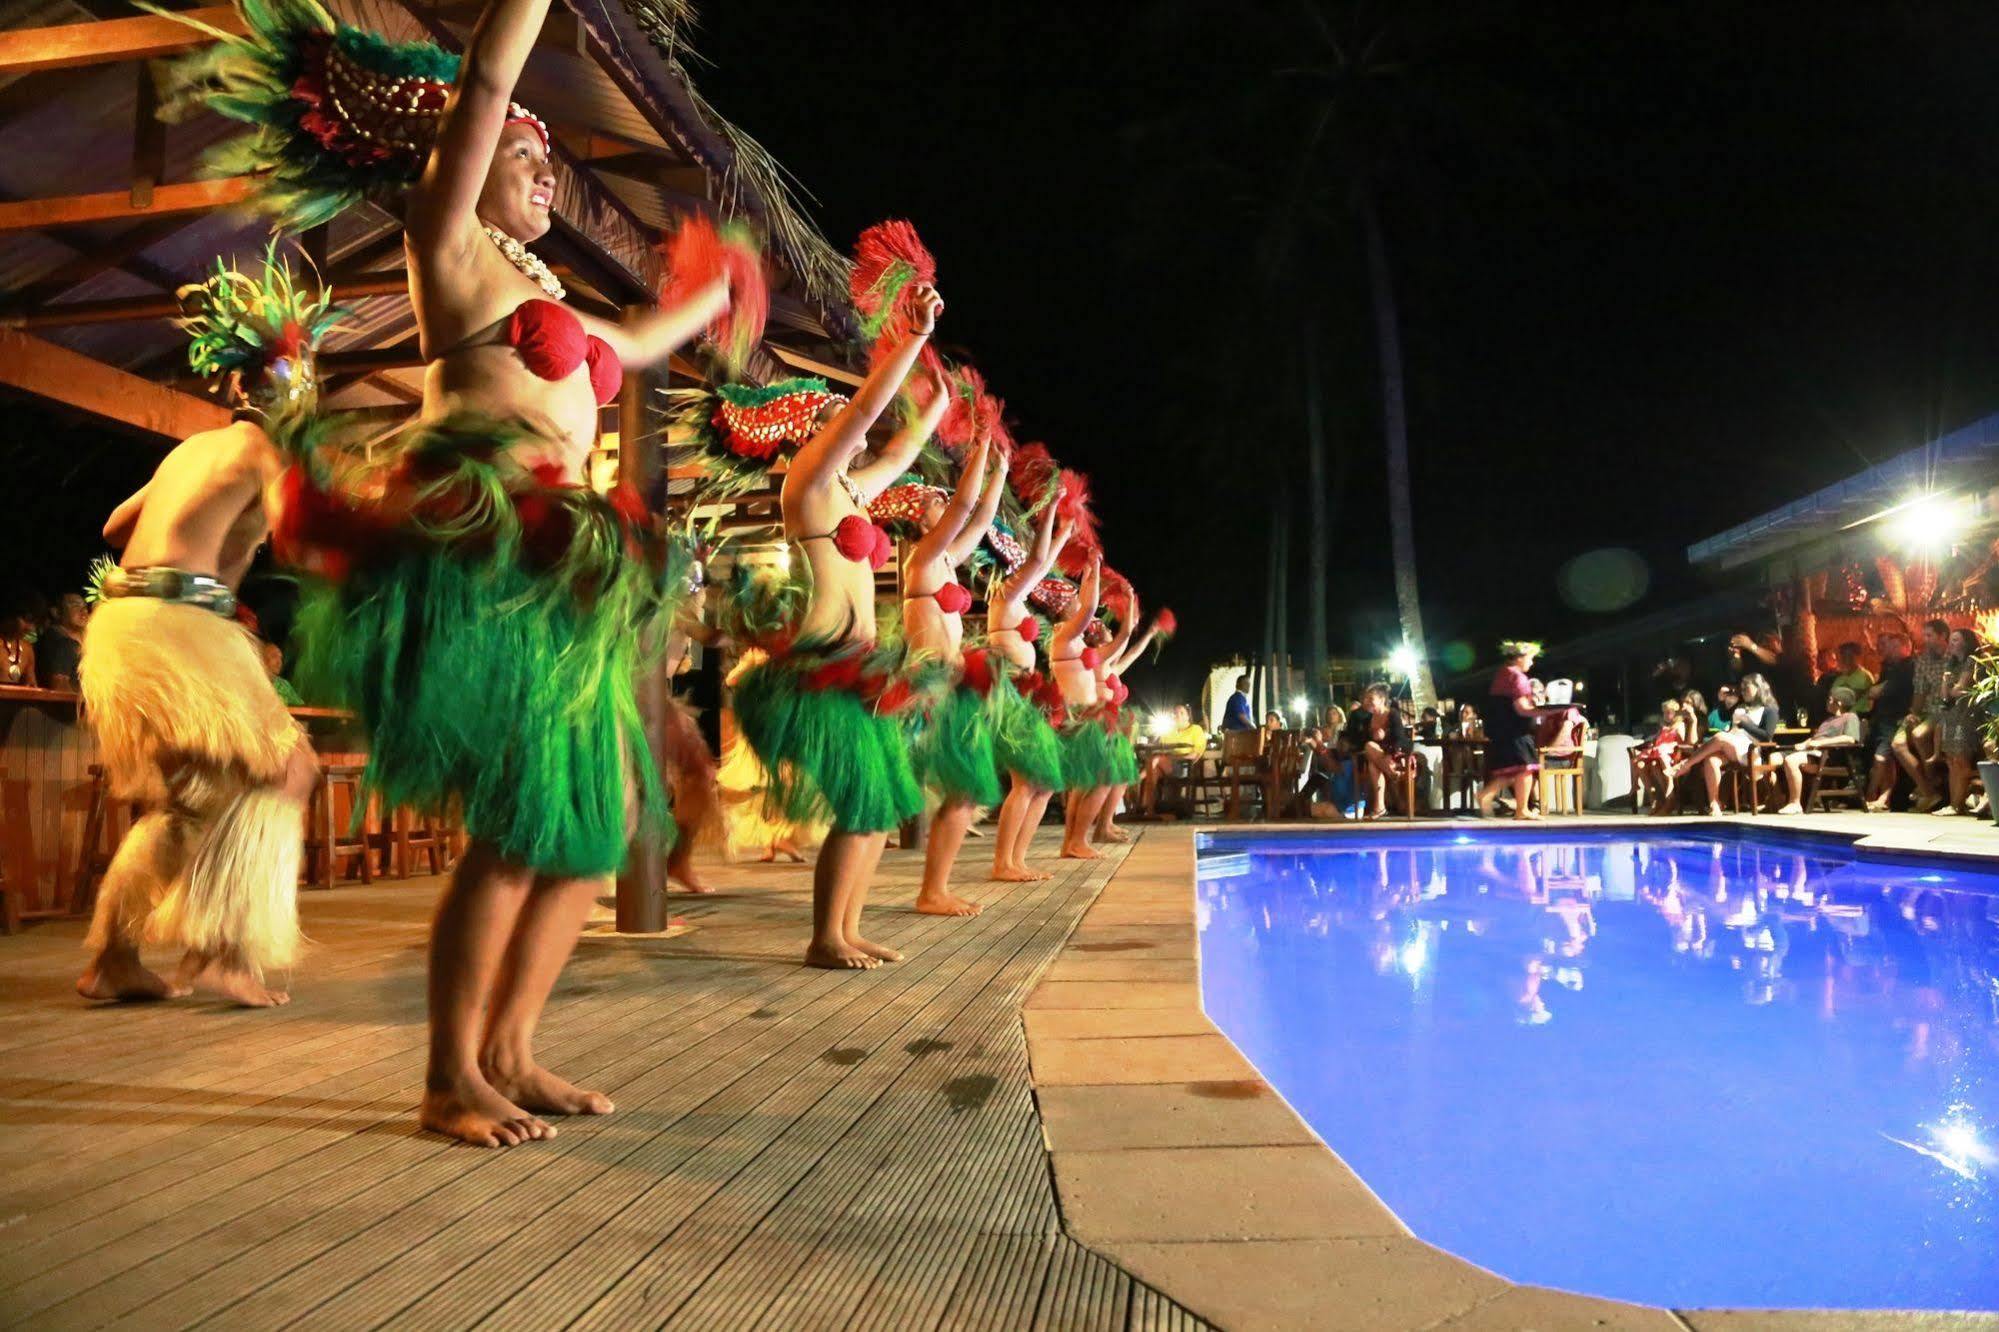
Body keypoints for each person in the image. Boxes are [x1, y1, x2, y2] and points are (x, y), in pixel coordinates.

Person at [191, 0, 744, 1146]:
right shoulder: (446, 253)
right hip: (487, 560)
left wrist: (705, 297)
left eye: (549, 164)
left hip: (566, 581)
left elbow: (634, 346)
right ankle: (450, 1075)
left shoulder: (545, 294)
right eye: (527, 160)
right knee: (513, 824)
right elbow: (489, 82)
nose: (546, 178)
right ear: (467, 163)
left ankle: (513, 1051)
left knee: (596, 821)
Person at [74, 249, 327, 1011]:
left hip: (126, 619)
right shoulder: (262, 450)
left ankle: (114, 958)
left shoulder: (193, 447)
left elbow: (118, 526)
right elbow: (303, 541)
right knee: (290, 769)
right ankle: (222, 952)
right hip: (185, 626)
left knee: (189, 801)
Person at [731, 294, 949, 971]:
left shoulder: (852, 492)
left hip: (861, 671)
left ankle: (848, 929)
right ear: (814, 434)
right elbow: (864, 413)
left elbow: (901, 446)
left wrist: (939, 404)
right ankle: (825, 935)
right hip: (820, 670)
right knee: (860, 805)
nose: (850, 433)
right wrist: (907, 344)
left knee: (878, 812)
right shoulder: (809, 481)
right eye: (833, 423)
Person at [904, 438, 1009, 917]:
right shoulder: (922, 560)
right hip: (930, 692)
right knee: (958, 791)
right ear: (917, 519)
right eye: (933, 502)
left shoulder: (945, 562)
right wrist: (981, 446)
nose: (943, 502)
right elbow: (966, 503)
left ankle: (936, 888)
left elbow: (981, 517)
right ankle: (931, 891)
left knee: (964, 792)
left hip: (953, 690)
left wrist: (1000, 469)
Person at [986, 503, 1074, 879]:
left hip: (1028, 700)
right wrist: (1053, 513)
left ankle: (1017, 859)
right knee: (1025, 782)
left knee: (1043, 785)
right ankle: (1002, 862)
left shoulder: (1017, 600)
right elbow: (1039, 559)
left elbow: (1042, 564)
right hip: (1012, 697)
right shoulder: (1005, 595)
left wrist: (1064, 537)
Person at [1051, 559, 1119, 858]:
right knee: (1099, 779)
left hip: (1085, 717)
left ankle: (1073, 842)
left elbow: (1089, 609)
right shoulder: (1065, 635)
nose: (1077, 606)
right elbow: (1088, 609)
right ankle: (1077, 840)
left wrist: (1090, 574)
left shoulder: (1074, 641)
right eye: (1071, 602)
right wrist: (1090, 565)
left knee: (1091, 781)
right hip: (1078, 718)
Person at [1670, 674, 1781, 814]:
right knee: (1711, 760)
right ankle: (1714, 804)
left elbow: (1767, 736)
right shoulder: (1741, 707)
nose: (1744, 690)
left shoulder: (1769, 710)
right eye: (1742, 687)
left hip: (1750, 751)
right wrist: (1722, 700)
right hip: (1731, 745)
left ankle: (1686, 764)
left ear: (1758, 688)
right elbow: (1722, 717)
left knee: (1721, 737)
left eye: (1747, 687)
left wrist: (1745, 725)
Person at [1477, 642, 1551, 819]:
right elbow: (1522, 709)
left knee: (1512, 770)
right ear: (1519, 658)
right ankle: (1521, 809)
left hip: (1500, 729)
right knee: (1525, 768)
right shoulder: (1517, 677)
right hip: (1515, 730)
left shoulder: (1502, 673)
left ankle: (1486, 794)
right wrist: (1549, 710)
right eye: (1530, 658)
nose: (1531, 663)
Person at [1775, 685, 1863, 813]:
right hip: (1813, 752)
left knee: (1791, 760)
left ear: (1839, 703)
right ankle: (1775, 801)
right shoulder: (1827, 721)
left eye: (1830, 699)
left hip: (1828, 757)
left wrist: (1822, 743)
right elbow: (1815, 738)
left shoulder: (1850, 717)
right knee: (1774, 758)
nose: (1827, 702)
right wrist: (1804, 744)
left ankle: (1795, 803)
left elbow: (1850, 739)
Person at [1899, 618, 1952, 812]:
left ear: (1943, 636)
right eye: (1925, 636)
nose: (1926, 640)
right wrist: (1913, 712)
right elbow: (1920, 690)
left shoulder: (1954, 658)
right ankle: (1929, 785)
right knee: (1898, 742)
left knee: (1919, 734)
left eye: (1929, 636)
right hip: (1929, 710)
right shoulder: (1923, 660)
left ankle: (1931, 780)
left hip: (1947, 709)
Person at [1932, 627, 1985, 816]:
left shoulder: (1972, 661)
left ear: (1966, 642)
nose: (1951, 644)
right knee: (1951, 760)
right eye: (1951, 640)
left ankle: (1957, 804)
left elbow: (1959, 689)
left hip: (1968, 715)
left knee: (1961, 760)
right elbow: (1945, 695)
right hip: (1952, 714)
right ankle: (1953, 804)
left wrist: (1951, 687)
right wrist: (1947, 685)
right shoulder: (1951, 664)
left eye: (1956, 640)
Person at [1865, 631, 1919, 810]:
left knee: (1880, 757)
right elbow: (1873, 691)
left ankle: (1868, 795)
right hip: (1883, 717)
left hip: (1897, 717)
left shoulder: (1908, 666)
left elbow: (1883, 691)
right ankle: (1884, 798)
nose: (1892, 650)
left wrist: (1878, 690)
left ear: (1907, 647)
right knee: (1887, 762)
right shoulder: (1889, 667)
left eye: (1896, 646)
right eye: (1890, 646)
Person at [1348, 682, 1415, 818]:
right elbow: (1361, 742)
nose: (1366, 702)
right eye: (1366, 699)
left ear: (1382, 700)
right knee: (1369, 748)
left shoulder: (1393, 714)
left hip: (1395, 756)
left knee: (1373, 762)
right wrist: (1373, 736)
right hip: (1382, 760)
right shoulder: (1367, 718)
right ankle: (1390, 774)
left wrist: (1386, 738)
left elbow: (1400, 739)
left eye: (1370, 699)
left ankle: (1380, 808)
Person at [1140, 704, 1208, 818]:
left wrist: (1176, 758)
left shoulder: (1196, 730)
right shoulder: (1168, 731)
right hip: (1166, 764)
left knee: (1156, 760)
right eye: (1175, 713)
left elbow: (1196, 754)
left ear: (1188, 717)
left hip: (1184, 766)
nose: (1177, 715)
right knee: (1154, 772)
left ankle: (1137, 779)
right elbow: (1160, 748)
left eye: (1181, 713)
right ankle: (1149, 810)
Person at [1633, 698, 1691, 815]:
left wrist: (1672, 734)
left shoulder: (1679, 725)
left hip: (1672, 756)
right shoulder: (1663, 726)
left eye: (1669, 712)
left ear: (1675, 713)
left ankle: (1669, 797)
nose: (1666, 715)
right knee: (1639, 763)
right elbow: (1656, 740)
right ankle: (1654, 798)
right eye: (1664, 712)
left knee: (1656, 763)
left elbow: (1682, 743)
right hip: (1658, 755)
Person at [36, 592, 86, 691]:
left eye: (84, 607)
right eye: (75, 606)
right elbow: (59, 685)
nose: (83, 611)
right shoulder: (62, 642)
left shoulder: (71, 641)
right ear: (57, 612)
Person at [1828, 641, 1875, 719]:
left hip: (1858, 720)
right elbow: (1830, 704)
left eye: (1848, 655)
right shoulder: (1838, 679)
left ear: (1858, 656)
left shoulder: (1864, 677)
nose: (1845, 658)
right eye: (1842, 655)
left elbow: (1848, 700)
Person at [0, 597, 36, 687]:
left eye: (33, 623)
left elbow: (31, 685)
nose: (30, 628)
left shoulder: (27, 649)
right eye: (26, 620)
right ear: (9, 616)